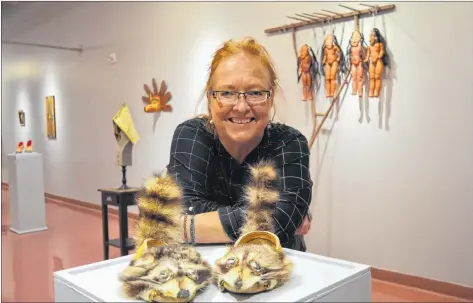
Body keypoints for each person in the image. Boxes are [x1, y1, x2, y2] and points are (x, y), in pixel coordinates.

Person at [166, 37, 313, 251]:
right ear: (210, 98)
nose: (242, 107)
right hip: (207, 271)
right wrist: (271, 215)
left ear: (270, 98)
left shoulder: (290, 143)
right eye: (226, 93)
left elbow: (283, 218)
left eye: (255, 93)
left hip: (275, 269)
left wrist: (187, 226)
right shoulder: (190, 135)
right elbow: (186, 207)